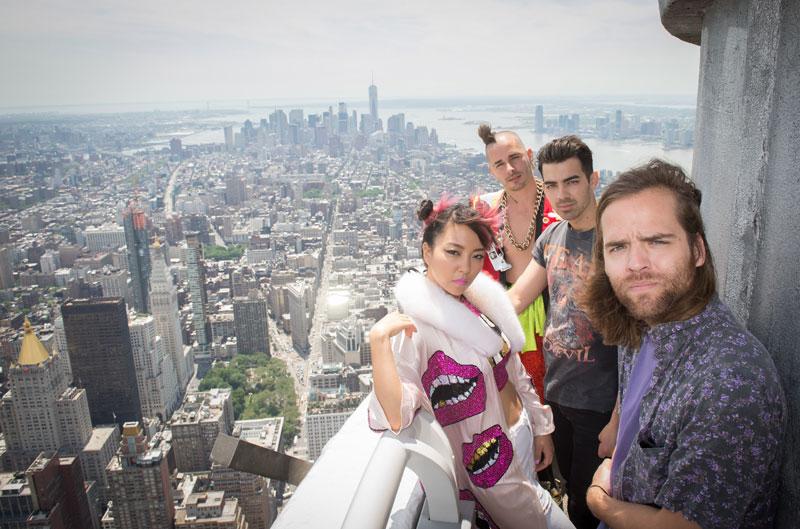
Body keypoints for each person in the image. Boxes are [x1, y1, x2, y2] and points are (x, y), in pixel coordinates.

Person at [580, 159, 786, 529]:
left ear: (697, 251)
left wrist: (599, 502)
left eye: (657, 241)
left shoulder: (730, 381)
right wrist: (617, 423)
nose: (635, 264)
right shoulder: (642, 319)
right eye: (618, 247)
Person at [368, 198, 574, 529]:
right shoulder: (416, 330)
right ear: (426, 253)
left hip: (520, 439)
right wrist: (378, 342)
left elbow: (514, 369)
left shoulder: (478, 301)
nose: (465, 267)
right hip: (490, 466)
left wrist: (540, 427)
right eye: (453, 252)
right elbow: (395, 414)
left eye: (476, 255)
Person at [506, 136, 618, 529]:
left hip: (599, 403)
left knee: (592, 504)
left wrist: (619, 417)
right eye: (551, 185)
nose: (561, 195)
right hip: (557, 394)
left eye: (571, 181)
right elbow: (518, 297)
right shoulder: (551, 238)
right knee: (568, 486)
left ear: (594, 179)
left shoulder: (616, 242)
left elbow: (637, 342)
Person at [474, 124, 559, 401]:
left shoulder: (558, 205)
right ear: (491, 171)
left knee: (557, 402)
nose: (510, 168)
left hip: (557, 316)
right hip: (505, 318)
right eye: (499, 164)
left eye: (515, 157)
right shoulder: (485, 210)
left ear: (529, 155)